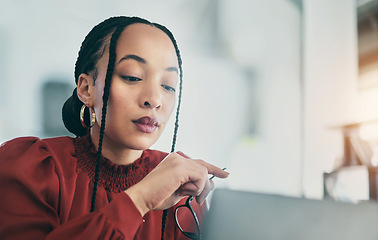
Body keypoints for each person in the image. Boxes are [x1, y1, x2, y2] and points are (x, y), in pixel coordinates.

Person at [0, 16, 228, 239]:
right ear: (86, 89)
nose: (154, 99)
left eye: (168, 86)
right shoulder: (30, 168)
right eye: (132, 77)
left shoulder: (180, 189)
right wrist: (139, 200)